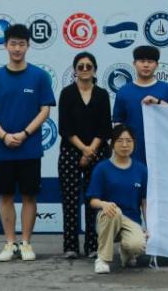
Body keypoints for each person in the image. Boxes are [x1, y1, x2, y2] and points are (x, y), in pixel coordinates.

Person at [0, 23, 55, 262]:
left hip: (29, 148)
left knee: (30, 196)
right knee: (5, 196)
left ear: (28, 46)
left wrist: (25, 133)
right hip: (3, 149)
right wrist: (3, 135)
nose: (17, 48)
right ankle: (10, 243)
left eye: (22, 44)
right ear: (5, 46)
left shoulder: (39, 76)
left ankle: (26, 243)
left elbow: (45, 110)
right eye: (13, 44)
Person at [57, 52, 112, 259]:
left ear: (95, 69)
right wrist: (83, 149)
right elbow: (65, 127)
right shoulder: (67, 93)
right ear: (75, 70)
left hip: (98, 152)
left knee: (94, 200)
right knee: (70, 201)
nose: (85, 69)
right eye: (81, 66)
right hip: (70, 152)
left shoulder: (102, 94)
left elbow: (105, 128)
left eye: (89, 66)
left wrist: (90, 151)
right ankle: (70, 246)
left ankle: (92, 245)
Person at [87, 124, 148, 274]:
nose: (125, 145)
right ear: (112, 144)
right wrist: (104, 204)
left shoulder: (141, 170)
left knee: (137, 245)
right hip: (108, 217)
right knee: (114, 211)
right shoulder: (102, 169)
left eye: (129, 141)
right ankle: (102, 259)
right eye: (120, 141)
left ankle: (127, 252)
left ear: (134, 143)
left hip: (132, 220)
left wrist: (149, 225)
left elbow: (144, 201)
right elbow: (92, 200)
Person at [111, 45, 168, 164]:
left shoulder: (166, 89)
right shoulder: (124, 91)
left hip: (162, 150)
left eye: (150, 61)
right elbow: (118, 122)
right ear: (134, 63)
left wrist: (158, 102)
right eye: (142, 61)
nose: (146, 65)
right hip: (133, 151)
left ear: (157, 65)